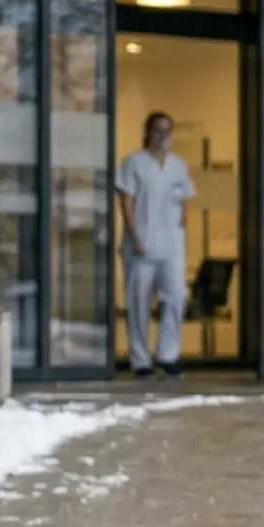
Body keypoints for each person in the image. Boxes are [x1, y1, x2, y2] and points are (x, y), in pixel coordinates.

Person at [115, 111, 196, 380]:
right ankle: (140, 360)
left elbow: (184, 201)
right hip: (141, 241)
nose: (163, 136)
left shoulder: (178, 166)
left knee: (175, 297)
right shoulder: (133, 163)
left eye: (167, 130)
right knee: (138, 301)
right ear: (147, 132)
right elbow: (125, 200)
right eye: (158, 130)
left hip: (171, 243)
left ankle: (168, 355)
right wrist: (134, 235)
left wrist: (182, 232)